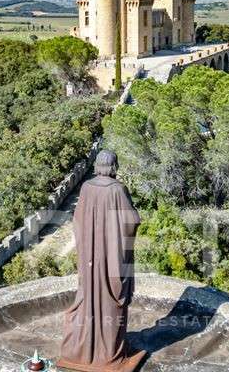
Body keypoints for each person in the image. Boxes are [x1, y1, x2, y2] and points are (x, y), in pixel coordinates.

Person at [58, 150, 146, 372]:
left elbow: (77, 218)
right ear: (113, 166)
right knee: (112, 302)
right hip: (112, 261)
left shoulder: (87, 187)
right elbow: (132, 220)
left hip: (90, 260)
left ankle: (87, 351)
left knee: (90, 300)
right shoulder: (118, 189)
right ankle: (109, 356)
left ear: (97, 165)